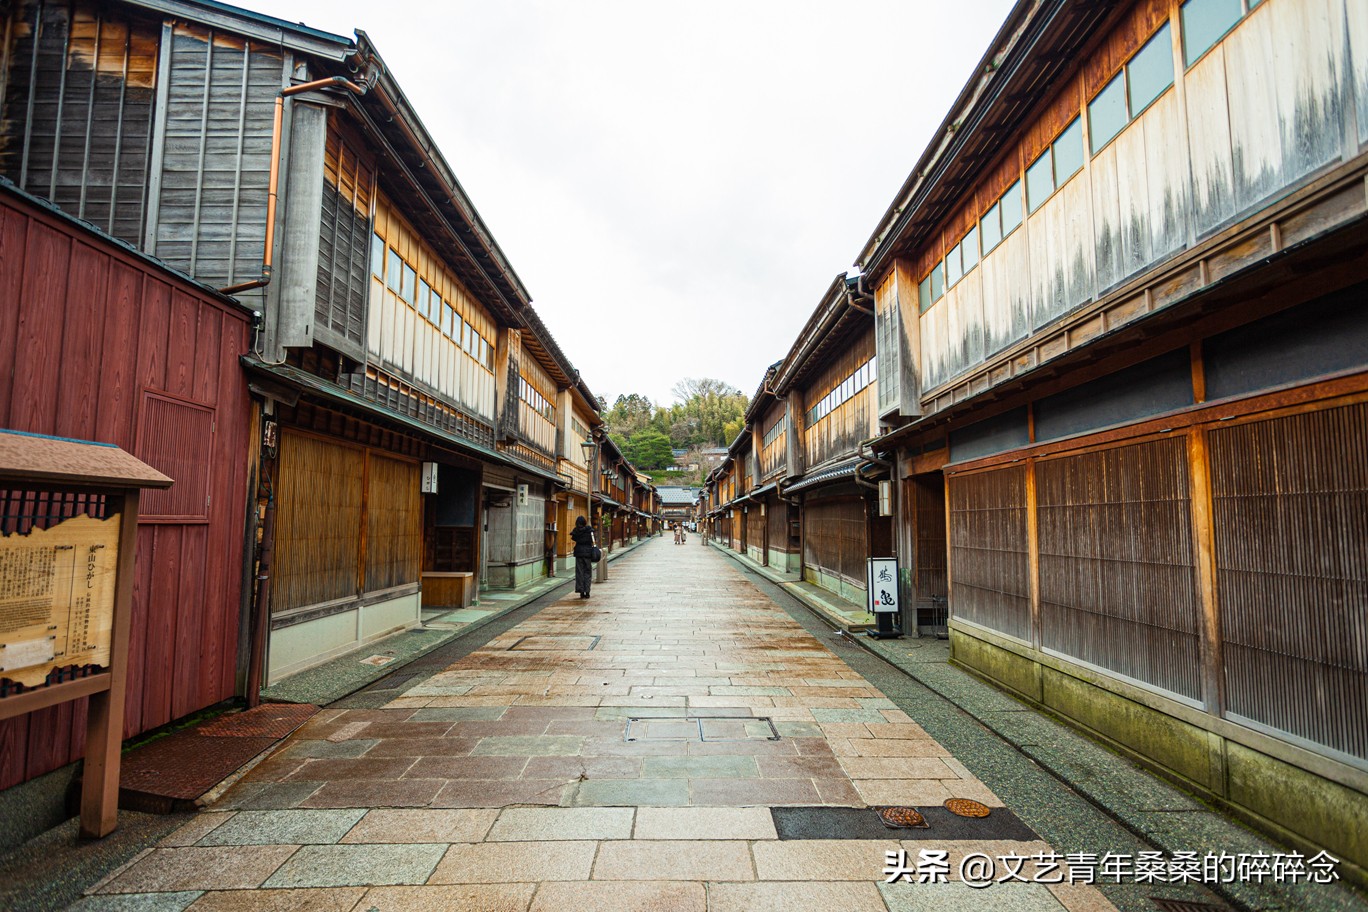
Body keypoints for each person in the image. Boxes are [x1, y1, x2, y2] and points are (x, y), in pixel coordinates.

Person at [570, 515, 595, 599]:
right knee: (587, 572)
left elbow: (573, 538)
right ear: (584, 522)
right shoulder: (589, 530)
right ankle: (587, 591)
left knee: (579, 572)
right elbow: (593, 541)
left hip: (579, 553)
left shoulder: (576, 531)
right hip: (588, 553)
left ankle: (581, 592)